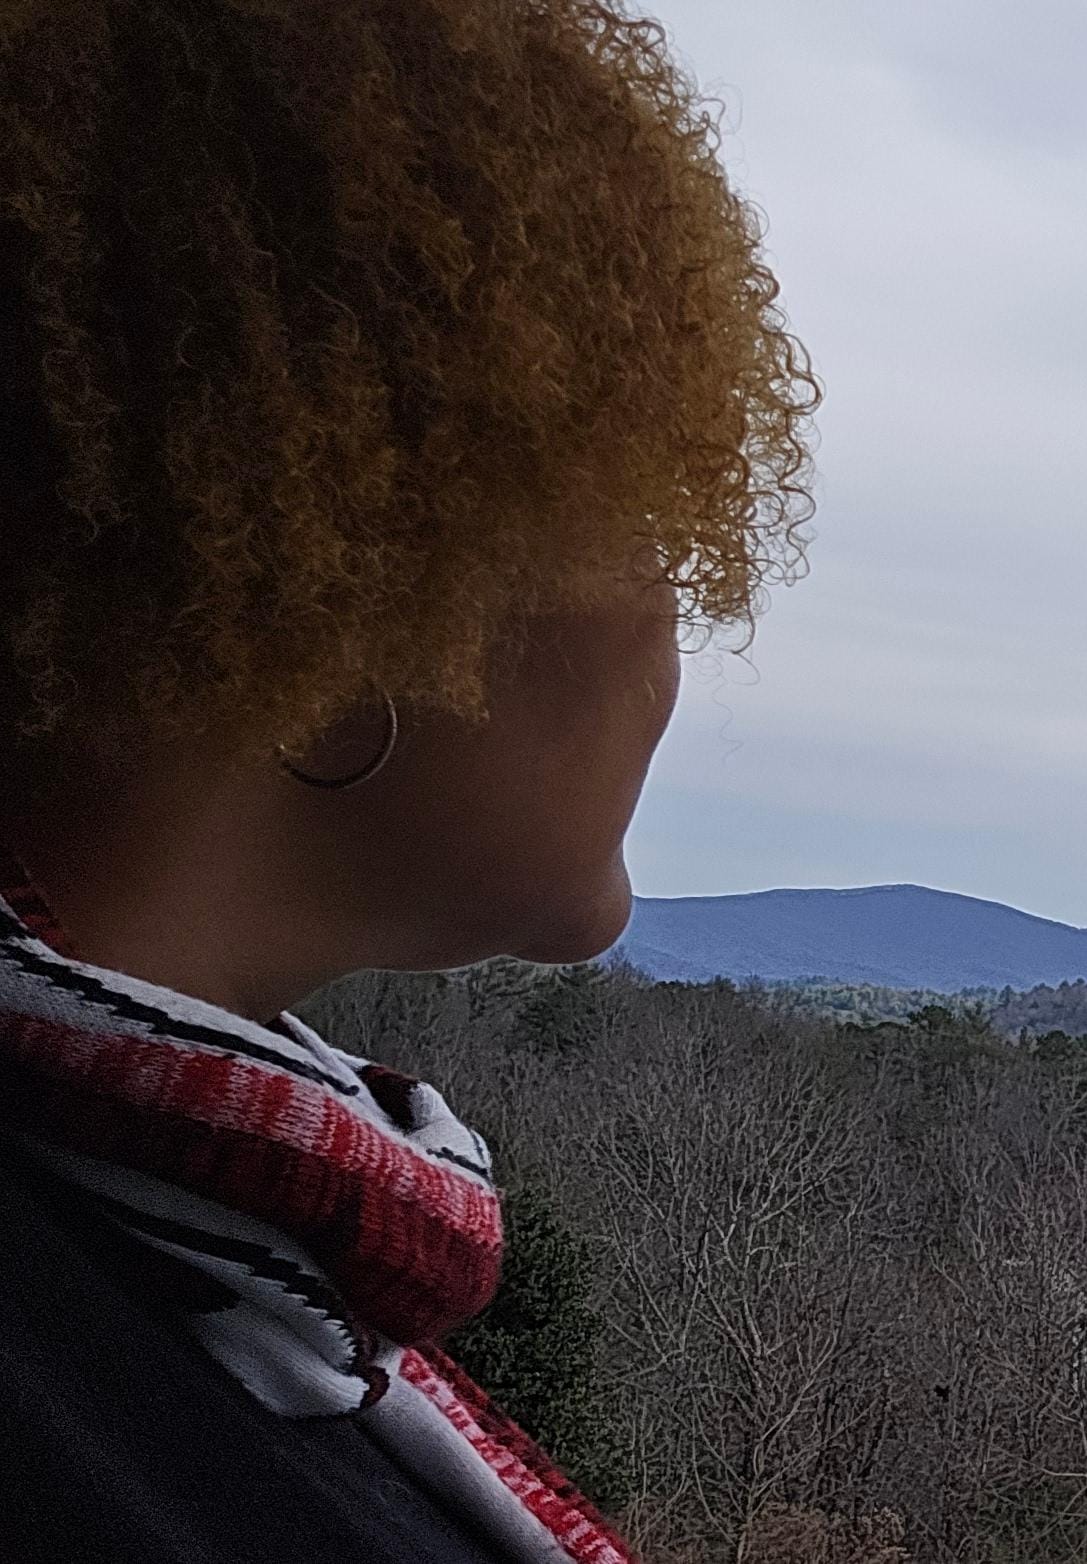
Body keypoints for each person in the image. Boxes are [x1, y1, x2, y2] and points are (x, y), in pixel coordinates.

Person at [0, 1, 813, 1558]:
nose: (678, 608)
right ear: (358, 582)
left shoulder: (172, 1274)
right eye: (641, 509)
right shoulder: (92, 1414)